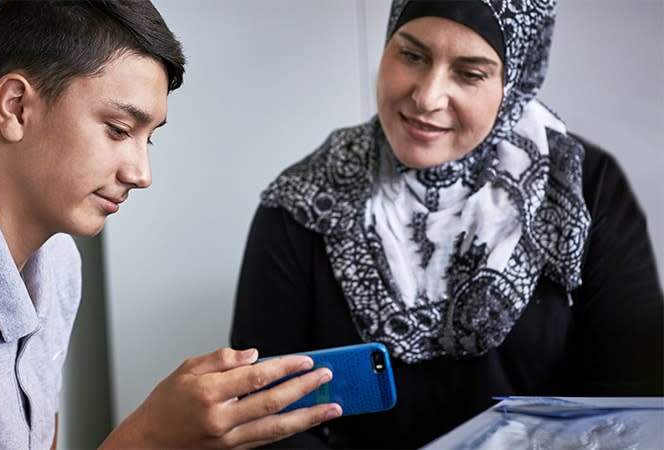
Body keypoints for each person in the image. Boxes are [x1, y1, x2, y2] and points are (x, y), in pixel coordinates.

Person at [0, 1, 342, 448]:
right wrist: (151, 433)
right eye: (117, 130)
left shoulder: (57, 259)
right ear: (15, 107)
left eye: (147, 139)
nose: (141, 173)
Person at [231, 0, 664, 447]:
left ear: (514, 82)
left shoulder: (581, 189)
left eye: (470, 73)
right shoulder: (304, 201)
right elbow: (262, 417)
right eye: (412, 56)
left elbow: (632, 398)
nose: (426, 97)